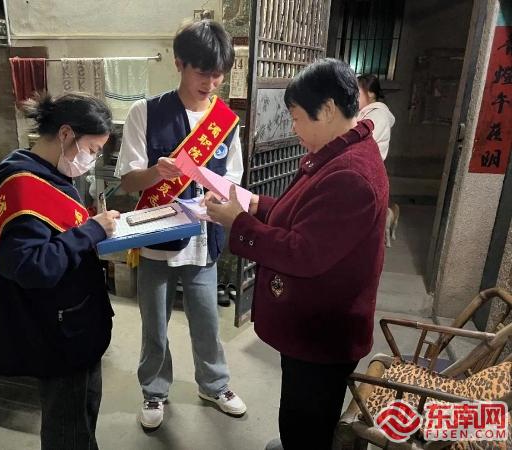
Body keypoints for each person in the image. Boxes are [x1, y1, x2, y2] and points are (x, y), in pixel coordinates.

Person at [206, 58, 389, 450]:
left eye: (296, 117)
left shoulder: (350, 174)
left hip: (323, 333)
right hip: (316, 324)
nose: (293, 128)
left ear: (328, 109)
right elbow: (308, 218)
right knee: (300, 412)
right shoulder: (345, 153)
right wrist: (256, 205)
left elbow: (303, 252)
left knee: (307, 420)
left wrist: (238, 222)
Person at [115, 19, 247, 430]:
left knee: (207, 320)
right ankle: (154, 390)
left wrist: (220, 197)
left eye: (218, 73)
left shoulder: (225, 121)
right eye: (202, 72)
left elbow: (233, 180)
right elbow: (128, 181)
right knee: (154, 324)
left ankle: (215, 384)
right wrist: (157, 172)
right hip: (157, 237)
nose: (211, 82)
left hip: (204, 238)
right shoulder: (145, 112)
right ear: (179, 64)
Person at [0, 92, 120, 450]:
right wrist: (92, 231)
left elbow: (57, 232)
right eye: (92, 149)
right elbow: (33, 266)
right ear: (66, 134)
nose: (92, 159)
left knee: (83, 411)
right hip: (57, 330)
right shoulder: (24, 185)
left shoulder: (46, 172)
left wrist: (90, 227)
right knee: (67, 426)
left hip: (76, 319)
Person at [357, 73, 395, 161]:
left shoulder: (378, 116)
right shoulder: (365, 113)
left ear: (370, 94)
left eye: (357, 93)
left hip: (367, 165)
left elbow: (358, 143)